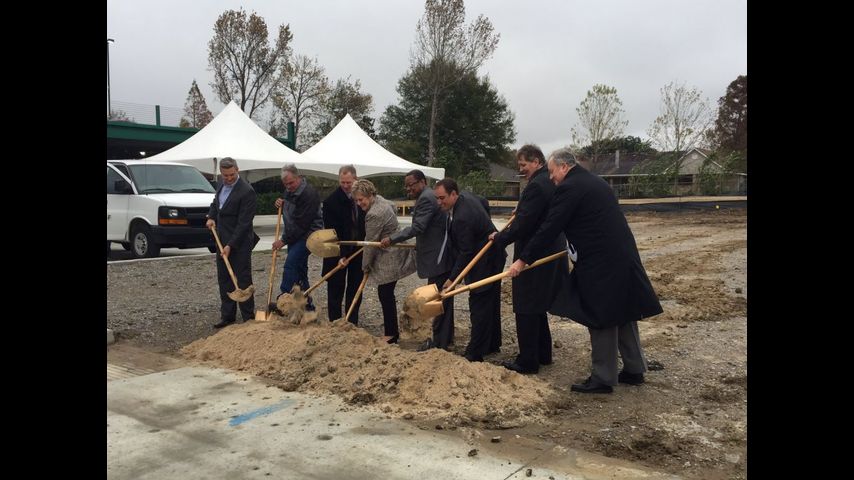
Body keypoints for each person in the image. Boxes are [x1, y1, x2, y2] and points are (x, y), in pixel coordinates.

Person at [508, 148, 663, 393]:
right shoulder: (594, 182)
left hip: (601, 263)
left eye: (552, 171)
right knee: (624, 312)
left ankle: (603, 378)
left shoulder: (570, 187)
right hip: (622, 256)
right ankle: (634, 369)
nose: (551, 177)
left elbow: (550, 227)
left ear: (564, 167)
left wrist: (522, 260)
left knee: (600, 315)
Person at [490, 144, 565, 374]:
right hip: (548, 250)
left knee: (525, 306)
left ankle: (528, 361)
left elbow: (524, 224)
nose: (521, 169)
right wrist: (522, 210)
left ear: (536, 162)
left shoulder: (537, 185)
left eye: (524, 164)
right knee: (537, 306)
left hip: (534, 254)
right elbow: (533, 213)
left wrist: (500, 238)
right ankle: (543, 354)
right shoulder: (547, 181)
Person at [380, 170, 454, 351]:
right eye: (406, 186)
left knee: (436, 298)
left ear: (422, 182)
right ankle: (445, 338)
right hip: (439, 253)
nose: (408, 189)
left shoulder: (427, 198)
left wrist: (392, 238)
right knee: (443, 296)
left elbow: (418, 226)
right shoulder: (427, 196)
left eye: (411, 185)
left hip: (438, 256)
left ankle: (439, 342)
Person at [434, 178, 506, 362]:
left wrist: (452, 279)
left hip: (485, 261)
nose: (439, 202)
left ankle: (475, 352)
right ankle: (492, 343)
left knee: (479, 305)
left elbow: (465, 253)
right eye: (437, 198)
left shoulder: (462, 218)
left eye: (442, 198)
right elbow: (483, 201)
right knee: (490, 303)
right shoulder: (466, 197)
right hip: (493, 255)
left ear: (453, 194)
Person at [350, 179, 416, 343]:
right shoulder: (381, 200)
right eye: (356, 200)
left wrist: (365, 266)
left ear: (370, 195)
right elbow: (392, 206)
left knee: (385, 293)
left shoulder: (374, 214)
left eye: (361, 199)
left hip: (390, 256)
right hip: (392, 250)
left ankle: (391, 333)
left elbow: (370, 242)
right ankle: (391, 331)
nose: (359, 203)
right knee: (385, 292)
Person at [206, 157, 260, 329]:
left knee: (243, 279)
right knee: (224, 278)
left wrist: (231, 245)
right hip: (221, 239)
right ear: (221, 174)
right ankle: (227, 316)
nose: (228, 178)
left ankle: (248, 316)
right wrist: (211, 217)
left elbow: (244, 223)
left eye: (231, 175)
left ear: (237, 170)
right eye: (225, 175)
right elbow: (216, 204)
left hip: (240, 242)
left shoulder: (247, 191)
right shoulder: (220, 185)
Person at [272, 164, 323, 308]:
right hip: (295, 236)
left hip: (308, 236)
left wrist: (283, 240)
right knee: (300, 271)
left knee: (291, 264)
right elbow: (292, 210)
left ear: (298, 177)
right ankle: (308, 307)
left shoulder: (308, 194)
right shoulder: (289, 191)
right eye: (285, 184)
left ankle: (283, 299)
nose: (288, 186)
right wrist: (281, 203)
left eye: (291, 183)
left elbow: (302, 223)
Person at [321, 165, 366, 324]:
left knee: (355, 286)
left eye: (349, 182)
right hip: (338, 250)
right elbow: (332, 233)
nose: (346, 186)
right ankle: (335, 321)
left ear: (355, 179)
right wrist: (341, 255)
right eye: (343, 182)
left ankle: (351, 321)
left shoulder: (362, 198)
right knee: (335, 286)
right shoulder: (330, 202)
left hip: (359, 249)